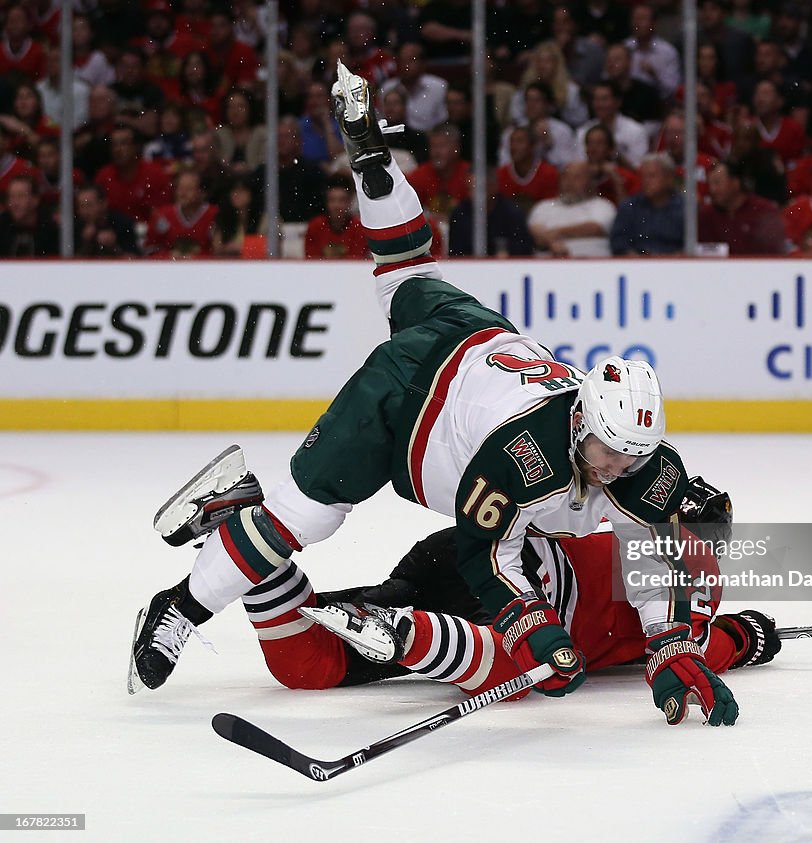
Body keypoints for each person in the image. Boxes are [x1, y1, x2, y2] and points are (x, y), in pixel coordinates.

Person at [132, 62, 738, 728]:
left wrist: (669, 644)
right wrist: (531, 625)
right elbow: (484, 550)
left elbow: (647, 546)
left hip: (476, 335)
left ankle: (369, 154)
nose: (619, 467)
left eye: (631, 457)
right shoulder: (524, 453)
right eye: (608, 451)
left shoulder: (637, 456)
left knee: (407, 265)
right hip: (406, 394)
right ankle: (179, 607)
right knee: (306, 517)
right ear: (580, 423)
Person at [151, 459, 778, 712]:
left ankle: (250, 544)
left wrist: (734, 635)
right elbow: (692, 648)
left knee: (308, 666)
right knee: (516, 675)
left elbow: (676, 640)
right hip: (508, 594)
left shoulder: (634, 524)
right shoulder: (676, 573)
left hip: (456, 559)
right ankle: (403, 633)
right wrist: (744, 640)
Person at [527, 160, 617, 257]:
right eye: (565, 177)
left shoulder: (602, 205)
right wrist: (551, 242)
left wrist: (557, 233)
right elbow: (534, 230)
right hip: (548, 266)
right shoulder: (543, 206)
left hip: (591, 266)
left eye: (577, 177)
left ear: (590, 183)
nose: (570, 182)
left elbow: (596, 227)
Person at [698, 160, 786, 255]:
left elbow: (776, 254)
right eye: (710, 184)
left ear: (736, 183)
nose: (712, 190)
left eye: (717, 183)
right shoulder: (706, 216)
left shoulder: (764, 211)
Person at [610, 153, 685, 255]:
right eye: (643, 176)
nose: (646, 181)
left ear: (669, 178)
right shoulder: (629, 207)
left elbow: (694, 244)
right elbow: (618, 242)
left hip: (677, 266)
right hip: (636, 266)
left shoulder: (686, 208)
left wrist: (672, 259)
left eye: (651, 176)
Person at [73, 182, 140, 257]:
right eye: (81, 206)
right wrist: (85, 244)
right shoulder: (74, 227)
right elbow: (66, 263)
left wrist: (114, 247)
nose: (85, 211)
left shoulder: (121, 224)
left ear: (103, 203)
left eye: (89, 205)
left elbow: (134, 260)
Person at [0, 174, 59, 257]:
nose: (15, 203)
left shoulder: (51, 229)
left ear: (35, 199)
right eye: (11, 196)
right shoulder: (2, 226)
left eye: (21, 196)